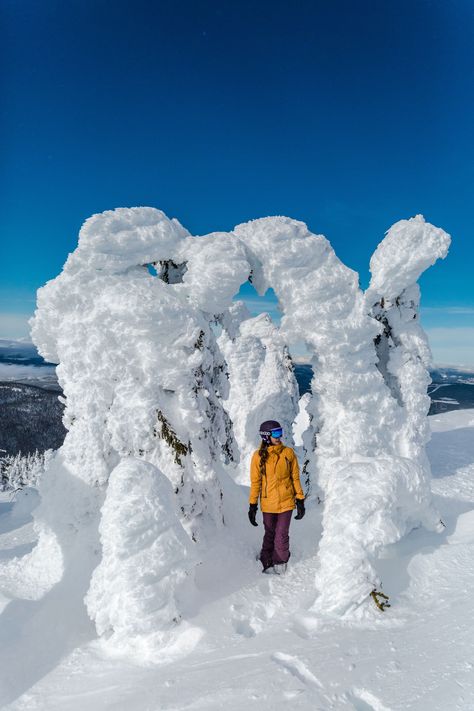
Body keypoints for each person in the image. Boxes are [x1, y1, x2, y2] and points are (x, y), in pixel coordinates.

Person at [248, 419, 305, 574]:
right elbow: (255, 483)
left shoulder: (288, 453)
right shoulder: (258, 457)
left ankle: (280, 562)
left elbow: (295, 478)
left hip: (286, 502)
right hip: (268, 503)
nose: (279, 436)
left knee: (281, 534)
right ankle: (265, 560)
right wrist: (252, 505)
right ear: (266, 436)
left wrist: (300, 499)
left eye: (280, 432)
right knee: (270, 533)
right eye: (276, 433)